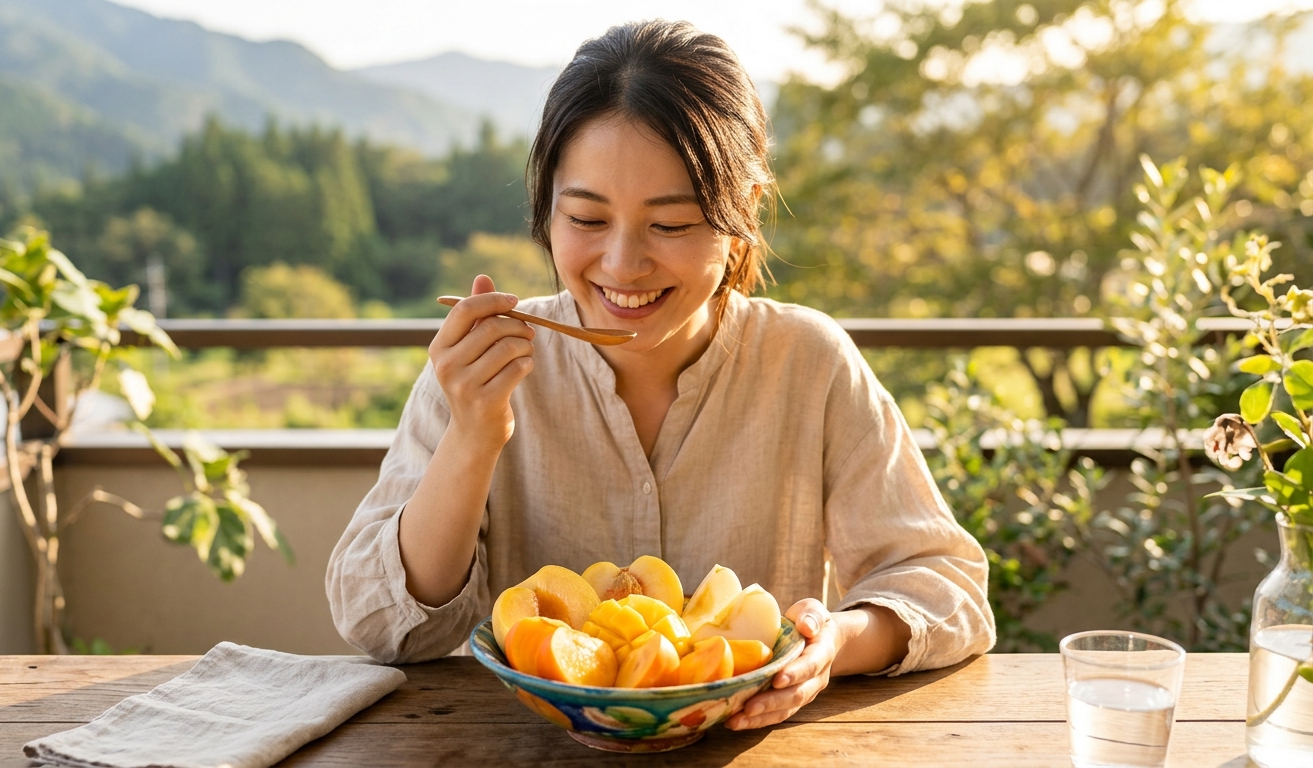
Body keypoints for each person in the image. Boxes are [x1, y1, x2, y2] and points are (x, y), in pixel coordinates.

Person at [327, 19, 994, 730]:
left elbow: (946, 587)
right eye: (585, 216)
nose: (621, 265)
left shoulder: (809, 360)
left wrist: (833, 642)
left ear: (746, 211)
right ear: (546, 209)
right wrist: (472, 437)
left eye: (670, 226)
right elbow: (382, 628)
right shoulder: (484, 367)